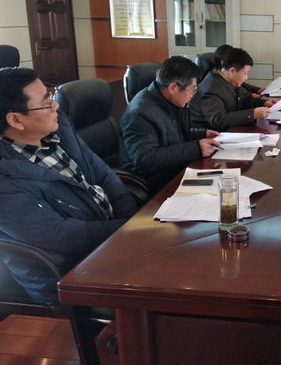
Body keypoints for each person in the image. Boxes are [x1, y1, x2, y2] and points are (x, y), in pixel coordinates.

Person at [0, 67, 138, 310]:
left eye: (51, 96)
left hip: (110, 239)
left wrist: (132, 220)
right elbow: (61, 235)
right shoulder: (6, 178)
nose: (55, 106)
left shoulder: (59, 132)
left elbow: (104, 175)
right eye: (46, 103)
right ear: (15, 120)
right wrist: (129, 230)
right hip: (70, 271)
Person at [119, 56, 220, 194]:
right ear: (173, 87)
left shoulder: (166, 100)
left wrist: (202, 133)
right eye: (192, 89)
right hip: (156, 182)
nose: (192, 95)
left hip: (174, 170)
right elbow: (146, 159)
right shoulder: (140, 114)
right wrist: (196, 148)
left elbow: (170, 132)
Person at [190, 48, 277, 132]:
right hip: (211, 136)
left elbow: (244, 100)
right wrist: (252, 114)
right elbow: (218, 120)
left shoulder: (229, 79)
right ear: (232, 71)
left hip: (229, 130)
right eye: (245, 73)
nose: (246, 77)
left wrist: (264, 103)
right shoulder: (211, 90)